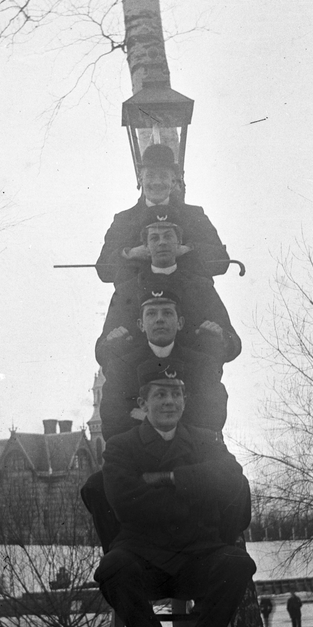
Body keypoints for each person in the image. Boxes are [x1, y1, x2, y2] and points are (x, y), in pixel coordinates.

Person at [90, 362, 256, 627]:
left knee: (238, 564)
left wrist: (170, 477)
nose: (169, 402)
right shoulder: (122, 446)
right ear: (143, 403)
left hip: (198, 556)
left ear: (184, 400)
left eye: (176, 394)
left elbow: (232, 480)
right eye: (160, 395)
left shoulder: (206, 441)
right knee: (112, 568)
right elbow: (124, 501)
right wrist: (196, 494)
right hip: (144, 561)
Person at [95, 216, 242, 364]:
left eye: (168, 236)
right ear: (146, 246)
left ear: (179, 244)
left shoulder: (201, 288)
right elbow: (101, 351)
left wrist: (220, 337)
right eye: (154, 238)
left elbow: (234, 344)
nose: (162, 242)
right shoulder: (127, 290)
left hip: (192, 371)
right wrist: (112, 341)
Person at [96, 288, 229, 439]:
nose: (159, 319)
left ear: (180, 323)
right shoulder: (122, 366)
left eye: (167, 313)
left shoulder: (201, 364)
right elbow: (112, 423)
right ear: (141, 325)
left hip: (191, 451)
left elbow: (213, 418)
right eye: (151, 313)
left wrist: (148, 418)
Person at [95, 143, 230, 284]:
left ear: (173, 181)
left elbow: (221, 261)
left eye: (163, 176)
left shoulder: (194, 215)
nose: (157, 182)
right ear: (140, 179)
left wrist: (187, 249)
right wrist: (130, 253)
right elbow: (103, 270)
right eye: (150, 175)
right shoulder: (124, 220)